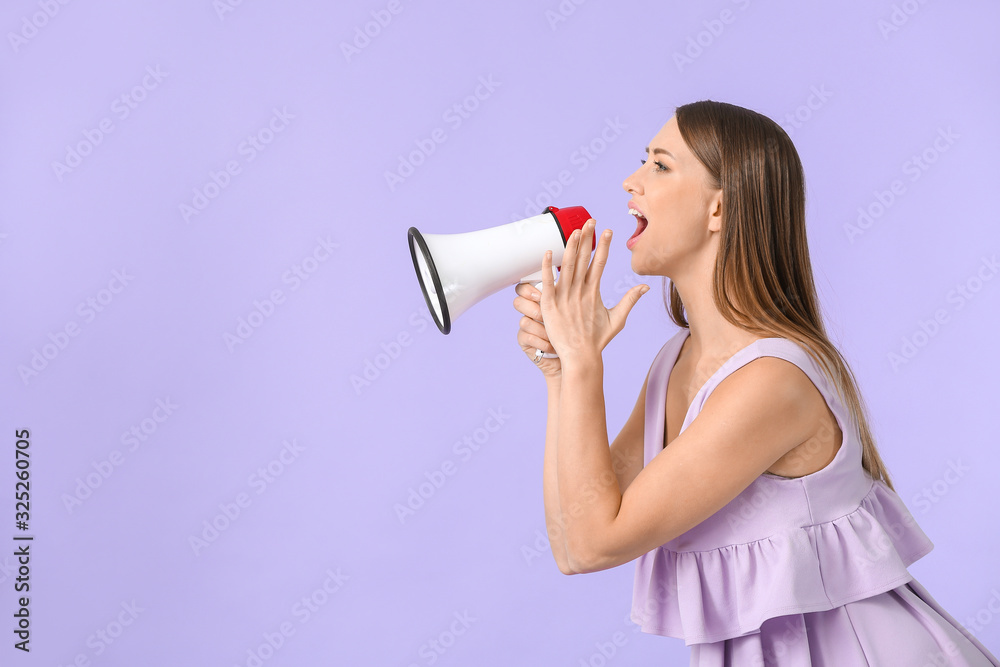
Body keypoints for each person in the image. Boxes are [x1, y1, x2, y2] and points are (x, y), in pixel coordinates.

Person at [512, 100, 999, 666]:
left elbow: (598, 542)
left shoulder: (771, 382)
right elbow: (574, 543)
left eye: (660, 165)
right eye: (641, 161)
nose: (631, 180)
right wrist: (561, 370)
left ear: (719, 208)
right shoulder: (678, 361)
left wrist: (583, 364)